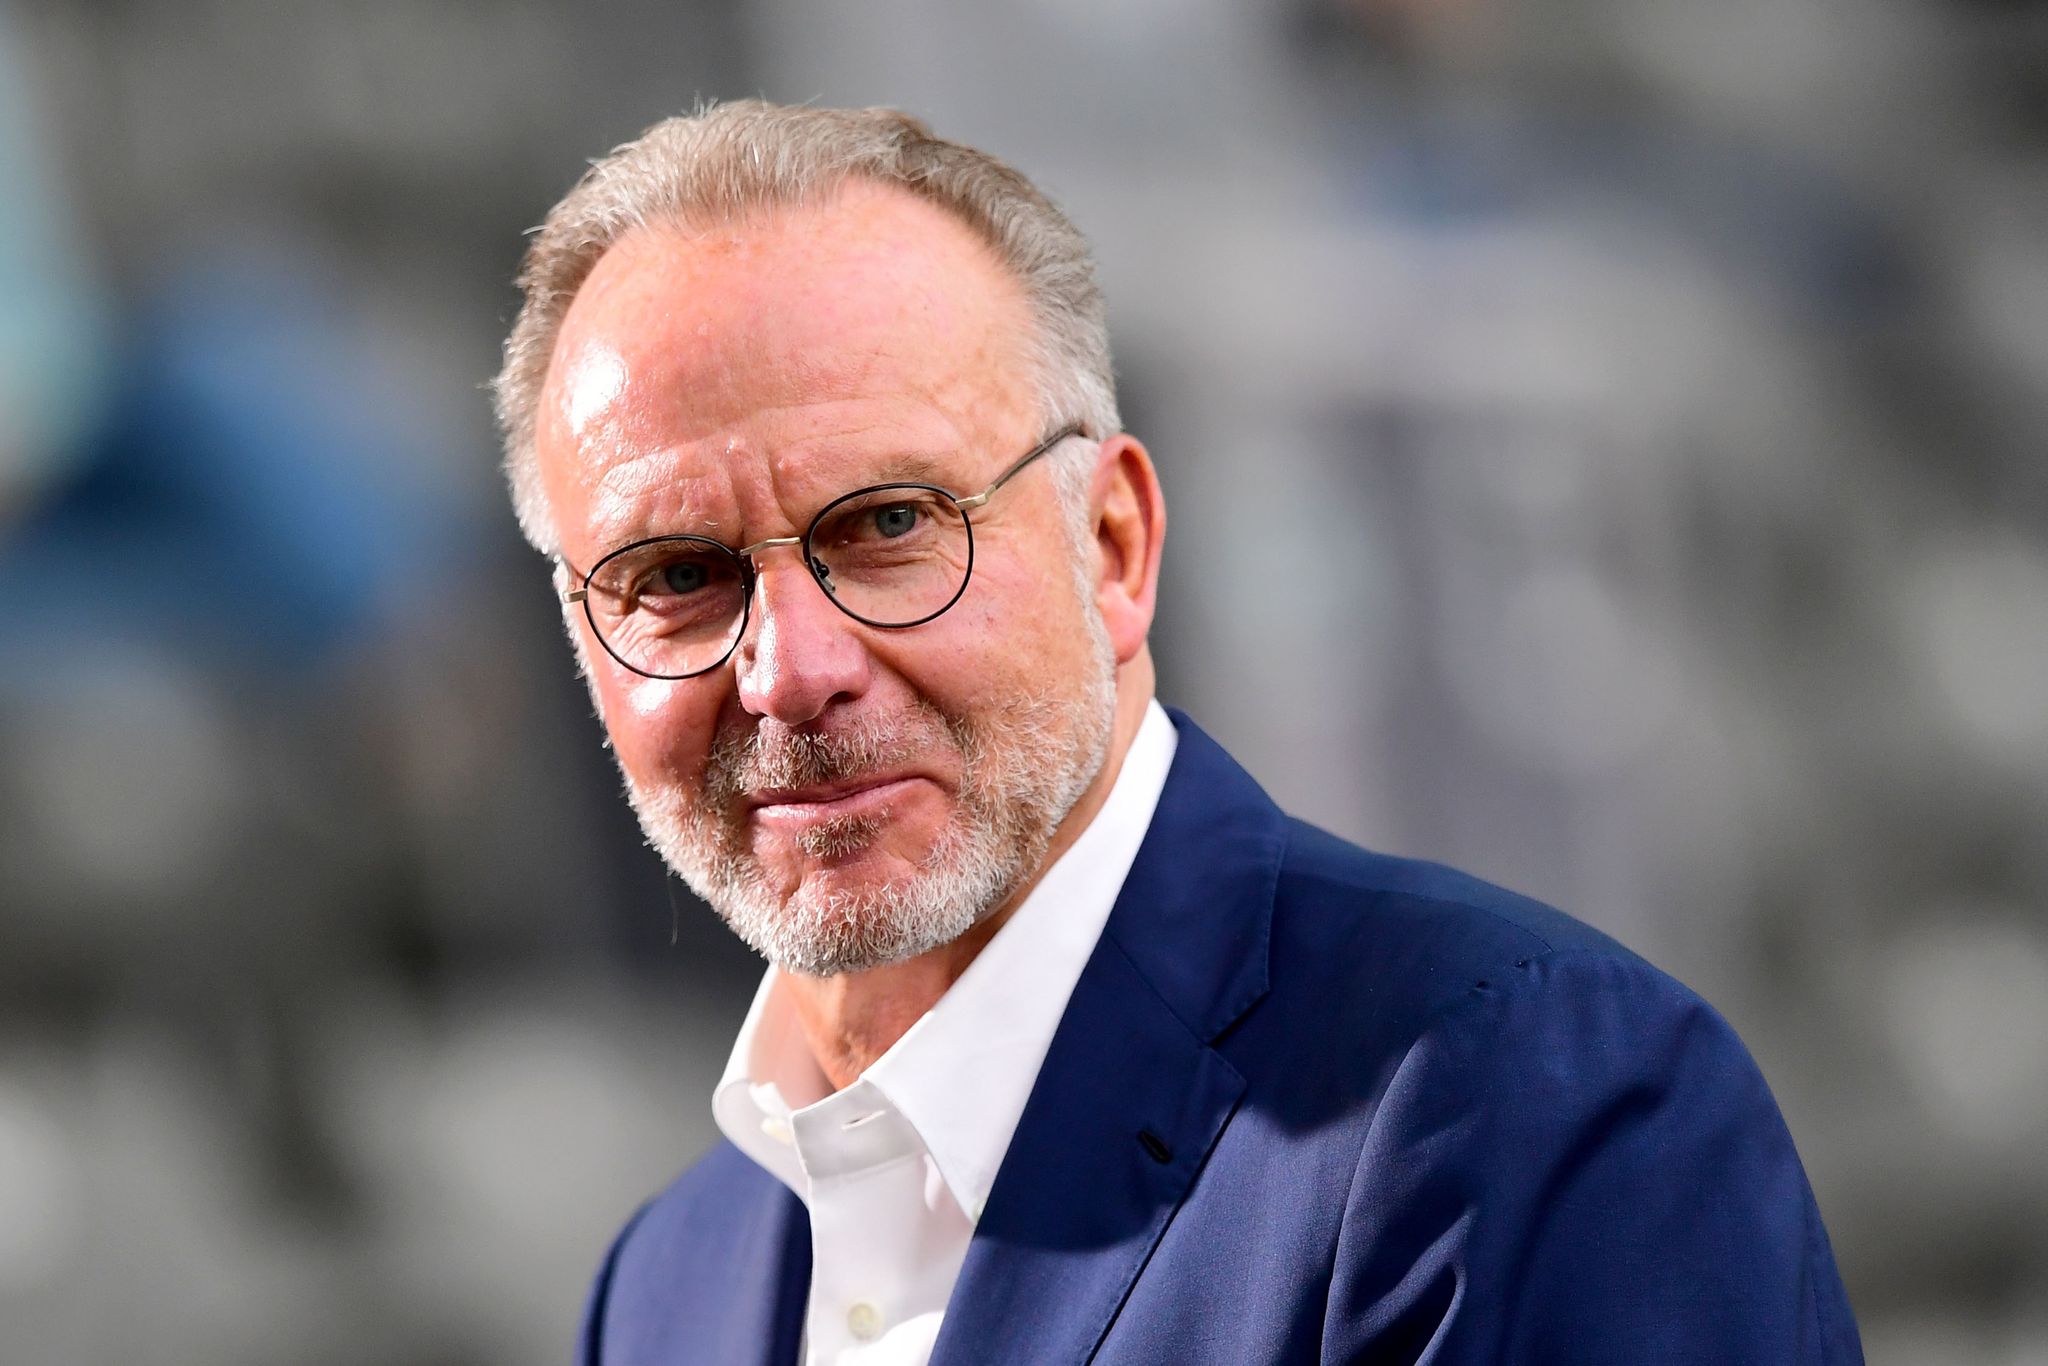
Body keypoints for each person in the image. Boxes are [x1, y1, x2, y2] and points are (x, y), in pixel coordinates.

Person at [492, 101, 1863, 1366]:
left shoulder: (1522, 1103)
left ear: (1114, 545)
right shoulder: (661, 1290)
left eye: (891, 524)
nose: (791, 671)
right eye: (675, 575)